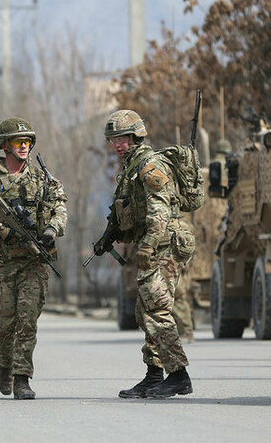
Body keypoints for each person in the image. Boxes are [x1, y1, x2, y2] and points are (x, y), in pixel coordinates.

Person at [0, 117, 67, 400]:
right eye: (18, 142)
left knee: (28, 320)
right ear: (5, 145)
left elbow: (60, 207)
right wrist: (0, 228)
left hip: (34, 261)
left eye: (28, 142)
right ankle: (5, 363)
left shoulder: (43, 179)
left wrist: (51, 230)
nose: (24, 146)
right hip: (2, 260)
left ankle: (22, 378)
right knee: (4, 323)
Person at [102, 109, 197, 399]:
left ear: (136, 136)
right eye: (114, 140)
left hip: (165, 242)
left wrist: (148, 245)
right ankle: (154, 375)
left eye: (123, 138)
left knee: (156, 308)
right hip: (155, 242)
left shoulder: (149, 165)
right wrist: (109, 237)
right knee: (145, 310)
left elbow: (160, 209)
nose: (118, 145)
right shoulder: (131, 168)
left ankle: (178, 375)